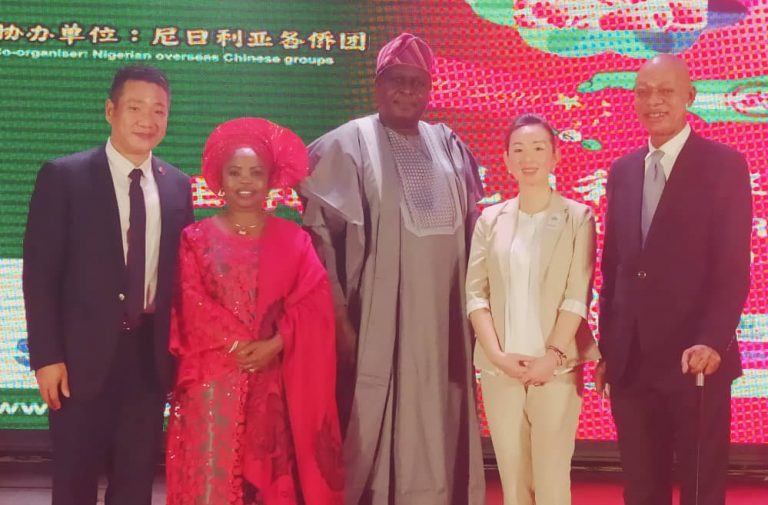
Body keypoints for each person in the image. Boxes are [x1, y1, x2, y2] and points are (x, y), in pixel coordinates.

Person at [300, 33, 485, 505]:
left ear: (430, 89)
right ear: (377, 84)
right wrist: (338, 318)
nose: (407, 90)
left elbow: (477, 233)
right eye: (396, 80)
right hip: (378, 320)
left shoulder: (448, 144)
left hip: (446, 319)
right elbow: (320, 242)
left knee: (443, 408)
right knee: (375, 416)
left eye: (417, 82)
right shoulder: (349, 144)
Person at [23, 65, 193, 505]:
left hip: (148, 362)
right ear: (110, 110)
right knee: (74, 484)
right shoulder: (64, 177)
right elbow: (40, 275)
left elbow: (180, 281)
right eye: (135, 107)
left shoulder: (178, 186)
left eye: (159, 110)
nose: (148, 120)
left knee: (135, 485)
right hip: (77, 363)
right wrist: (46, 357)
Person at [596, 54, 752, 505]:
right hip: (631, 363)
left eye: (666, 91)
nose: (654, 101)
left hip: (695, 360)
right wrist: (608, 349)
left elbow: (732, 268)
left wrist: (712, 341)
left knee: (701, 489)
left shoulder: (724, 165)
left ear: (690, 97)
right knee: (641, 489)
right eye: (643, 92)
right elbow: (614, 267)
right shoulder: (623, 171)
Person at [165, 117, 344, 505]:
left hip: (272, 383)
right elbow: (189, 303)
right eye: (235, 172)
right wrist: (242, 346)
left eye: (255, 173)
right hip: (211, 385)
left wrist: (275, 345)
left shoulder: (294, 240)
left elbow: (314, 305)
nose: (245, 182)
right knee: (211, 483)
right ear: (219, 178)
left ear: (270, 179)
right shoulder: (194, 238)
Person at [465, 113, 600, 505]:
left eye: (539, 148)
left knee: (552, 479)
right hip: (500, 370)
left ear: (555, 156)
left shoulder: (577, 217)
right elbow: (475, 295)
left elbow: (576, 295)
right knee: (513, 480)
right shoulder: (490, 219)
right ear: (506, 160)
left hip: (556, 370)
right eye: (519, 150)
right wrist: (496, 356)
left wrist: (552, 356)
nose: (529, 158)